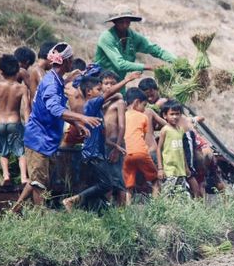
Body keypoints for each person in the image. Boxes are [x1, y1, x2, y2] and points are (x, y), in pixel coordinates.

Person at [12, 43, 101, 212]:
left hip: (48, 139)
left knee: (38, 180)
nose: (73, 63)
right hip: (39, 138)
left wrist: (76, 123)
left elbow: (57, 105)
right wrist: (82, 117)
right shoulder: (51, 83)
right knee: (39, 184)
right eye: (72, 60)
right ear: (66, 62)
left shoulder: (56, 79)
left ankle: (14, 211)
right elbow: (55, 109)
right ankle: (42, 221)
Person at [62, 71, 141, 212]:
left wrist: (115, 145)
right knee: (106, 184)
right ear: (89, 92)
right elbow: (110, 93)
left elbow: (99, 135)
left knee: (102, 184)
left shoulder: (96, 109)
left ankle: (94, 211)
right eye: (99, 89)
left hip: (96, 153)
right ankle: (72, 201)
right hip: (93, 154)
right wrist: (127, 79)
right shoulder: (91, 104)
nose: (102, 91)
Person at [94, 5, 176, 83]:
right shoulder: (107, 37)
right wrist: (149, 66)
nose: (125, 25)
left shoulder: (133, 37)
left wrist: (176, 61)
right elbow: (120, 64)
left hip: (120, 83)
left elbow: (157, 50)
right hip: (101, 83)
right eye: (121, 22)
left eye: (127, 22)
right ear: (115, 22)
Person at [0, 55, 30, 185]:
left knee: (3, 152)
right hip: (14, 121)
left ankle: (6, 176)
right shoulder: (21, 88)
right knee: (20, 152)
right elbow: (26, 107)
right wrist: (28, 123)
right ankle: (24, 177)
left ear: (1, 71)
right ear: (18, 70)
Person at [122, 88, 160, 204]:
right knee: (155, 179)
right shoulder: (143, 116)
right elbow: (142, 136)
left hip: (126, 153)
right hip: (140, 152)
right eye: (144, 105)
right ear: (136, 102)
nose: (144, 109)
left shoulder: (122, 115)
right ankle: (156, 207)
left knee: (128, 185)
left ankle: (126, 211)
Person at [100, 71, 127, 204]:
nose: (109, 86)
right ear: (101, 85)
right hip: (104, 144)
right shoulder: (101, 102)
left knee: (117, 179)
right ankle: (107, 209)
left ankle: (122, 213)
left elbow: (122, 126)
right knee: (106, 178)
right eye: (106, 83)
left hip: (116, 143)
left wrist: (117, 149)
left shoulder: (120, 102)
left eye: (113, 83)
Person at [156, 100, 191, 197]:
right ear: (164, 115)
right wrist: (160, 169)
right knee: (167, 195)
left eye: (177, 114)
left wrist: (186, 167)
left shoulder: (180, 130)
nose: (175, 117)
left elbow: (181, 150)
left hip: (180, 170)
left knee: (181, 196)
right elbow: (159, 149)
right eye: (172, 114)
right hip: (169, 170)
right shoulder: (165, 130)